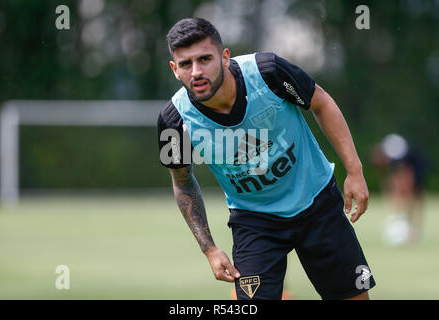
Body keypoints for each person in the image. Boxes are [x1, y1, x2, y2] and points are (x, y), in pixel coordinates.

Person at [157, 17, 375, 300]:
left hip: (317, 201)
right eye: (186, 64)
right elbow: (182, 182)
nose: (196, 71)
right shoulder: (173, 121)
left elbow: (320, 101)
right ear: (175, 70)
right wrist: (209, 248)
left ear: (224, 58)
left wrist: (354, 171)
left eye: (204, 59)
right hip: (255, 221)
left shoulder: (268, 71)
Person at [371, 133, 427, 246]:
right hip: (408, 165)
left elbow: (407, 177)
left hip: (417, 165)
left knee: (413, 194)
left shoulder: (397, 154)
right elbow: (390, 179)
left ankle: (412, 226)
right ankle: (402, 221)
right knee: (395, 187)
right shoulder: (389, 152)